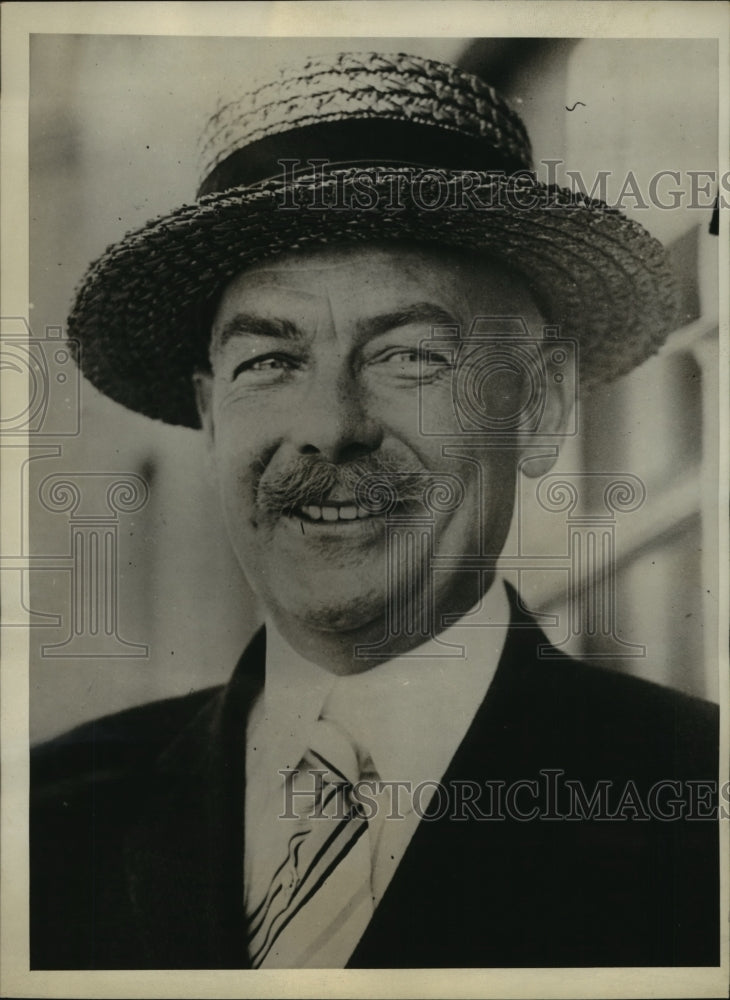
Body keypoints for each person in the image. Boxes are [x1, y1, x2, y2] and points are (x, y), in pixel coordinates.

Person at [30, 51, 718, 970]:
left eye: (409, 357)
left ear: (541, 408)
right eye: (269, 362)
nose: (329, 429)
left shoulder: (696, 804)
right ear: (209, 414)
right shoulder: (49, 820)